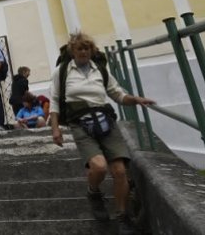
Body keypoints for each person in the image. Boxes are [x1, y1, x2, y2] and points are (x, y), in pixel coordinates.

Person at [50, 32, 154, 233]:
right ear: (72, 51)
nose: (83, 52)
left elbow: (118, 94)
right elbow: (54, 100)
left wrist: (136, 100)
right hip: (80, 123)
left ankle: (123, 216)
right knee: (98, 167)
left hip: (105, 120)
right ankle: (94, 192)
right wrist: (55, 129)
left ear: (92, 51)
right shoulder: (62, 72)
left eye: (86, 48)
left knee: (120, 171)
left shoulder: (101, 70)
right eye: (79, 48)